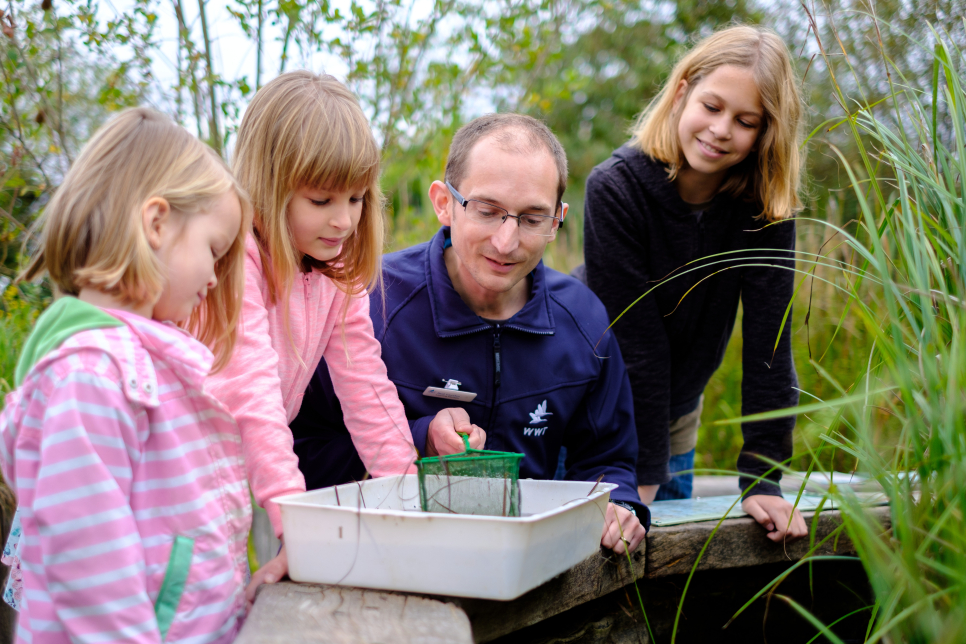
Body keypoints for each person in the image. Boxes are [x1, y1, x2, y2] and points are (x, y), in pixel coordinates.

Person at [291, 113, 648, 553]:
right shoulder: (367, 302)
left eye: (533, 218)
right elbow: (305, 446)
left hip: (528, 574)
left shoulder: (583, 320)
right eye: (487, 211)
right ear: (444, 202)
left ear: (558, 219)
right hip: (387, 559)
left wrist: (621, 507)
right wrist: (420, 439)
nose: (506, 241)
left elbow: (608, 459)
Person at [205, 71, 483, 592]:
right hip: (175, 460)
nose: (344, 221)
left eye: (356, 199)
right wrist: (296, 529)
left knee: (221, 596)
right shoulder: (237, 258)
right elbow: (253, 393)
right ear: (269, 185)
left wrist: (406, 504)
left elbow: (367, 389)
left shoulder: (335, 272)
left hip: (228, 477)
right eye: (321, 201)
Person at [0, 107, 253, 643]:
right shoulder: (91, 376)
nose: (213, 276)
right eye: (213, 250)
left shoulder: (138, 364)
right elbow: (90, 575)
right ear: (156, 223)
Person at [583, 25, 808, 542]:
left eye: (745, 121)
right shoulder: (616, 188)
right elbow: (636, 346)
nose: (722, 129)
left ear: (765, 133)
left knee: (669, 561)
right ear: (682, 92)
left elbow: (770, 343)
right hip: (604, 411)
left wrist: (762, 477)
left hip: (679, 411)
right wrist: (633, 481)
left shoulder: (763, 211)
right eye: (711, 106)